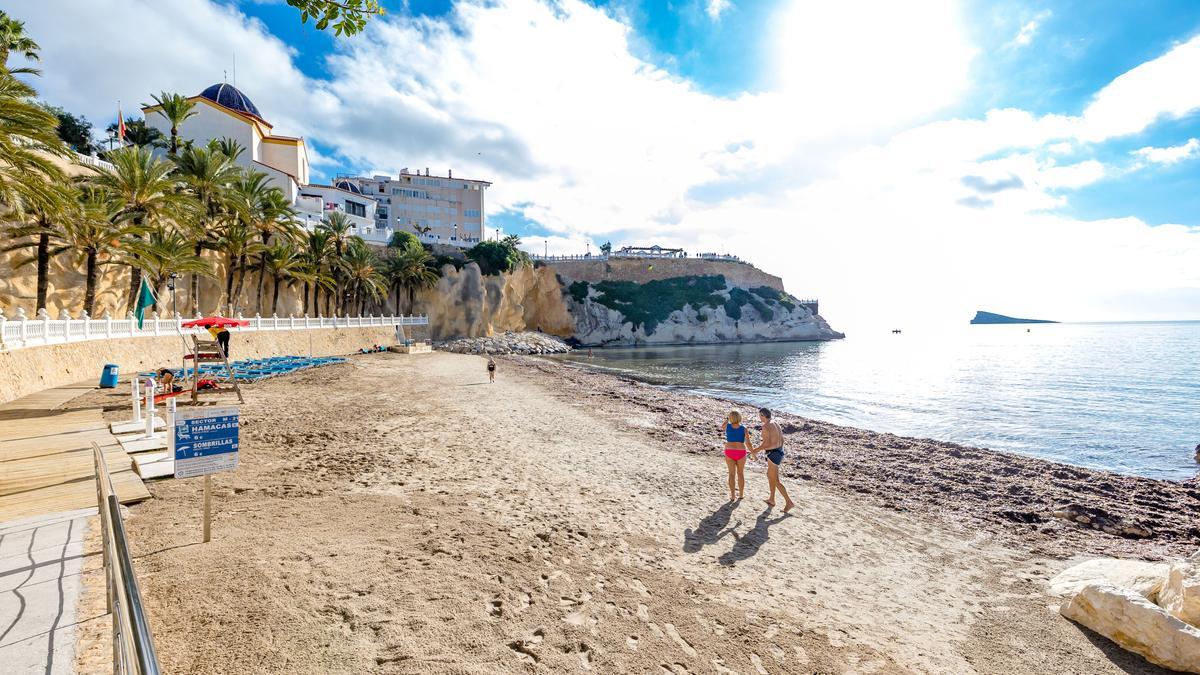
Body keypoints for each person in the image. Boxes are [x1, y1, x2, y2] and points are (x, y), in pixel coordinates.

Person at [751, 407, 794, 513]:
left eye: (759, 415)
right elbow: (782, 440)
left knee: (775, 480)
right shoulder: (776, 423)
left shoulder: (765, 426)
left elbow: (765, 444)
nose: (759, 417)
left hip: (773, 454)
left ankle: (789, 502)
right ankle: (772, 499)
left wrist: (754, 451)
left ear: (762, 415)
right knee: (770, 477)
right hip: (778, 451)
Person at [720, 411, 750, 502]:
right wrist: (753, 452)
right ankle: (741, 494)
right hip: (741, 452)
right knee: (740, 474)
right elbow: (748, 442)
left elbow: (722, 426)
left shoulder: (728, 427)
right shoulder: (744, 428)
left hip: (729, 451)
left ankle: (733, 495)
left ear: (730, 418)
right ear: (739, 417)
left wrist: (727, 418)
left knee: (731, 474)